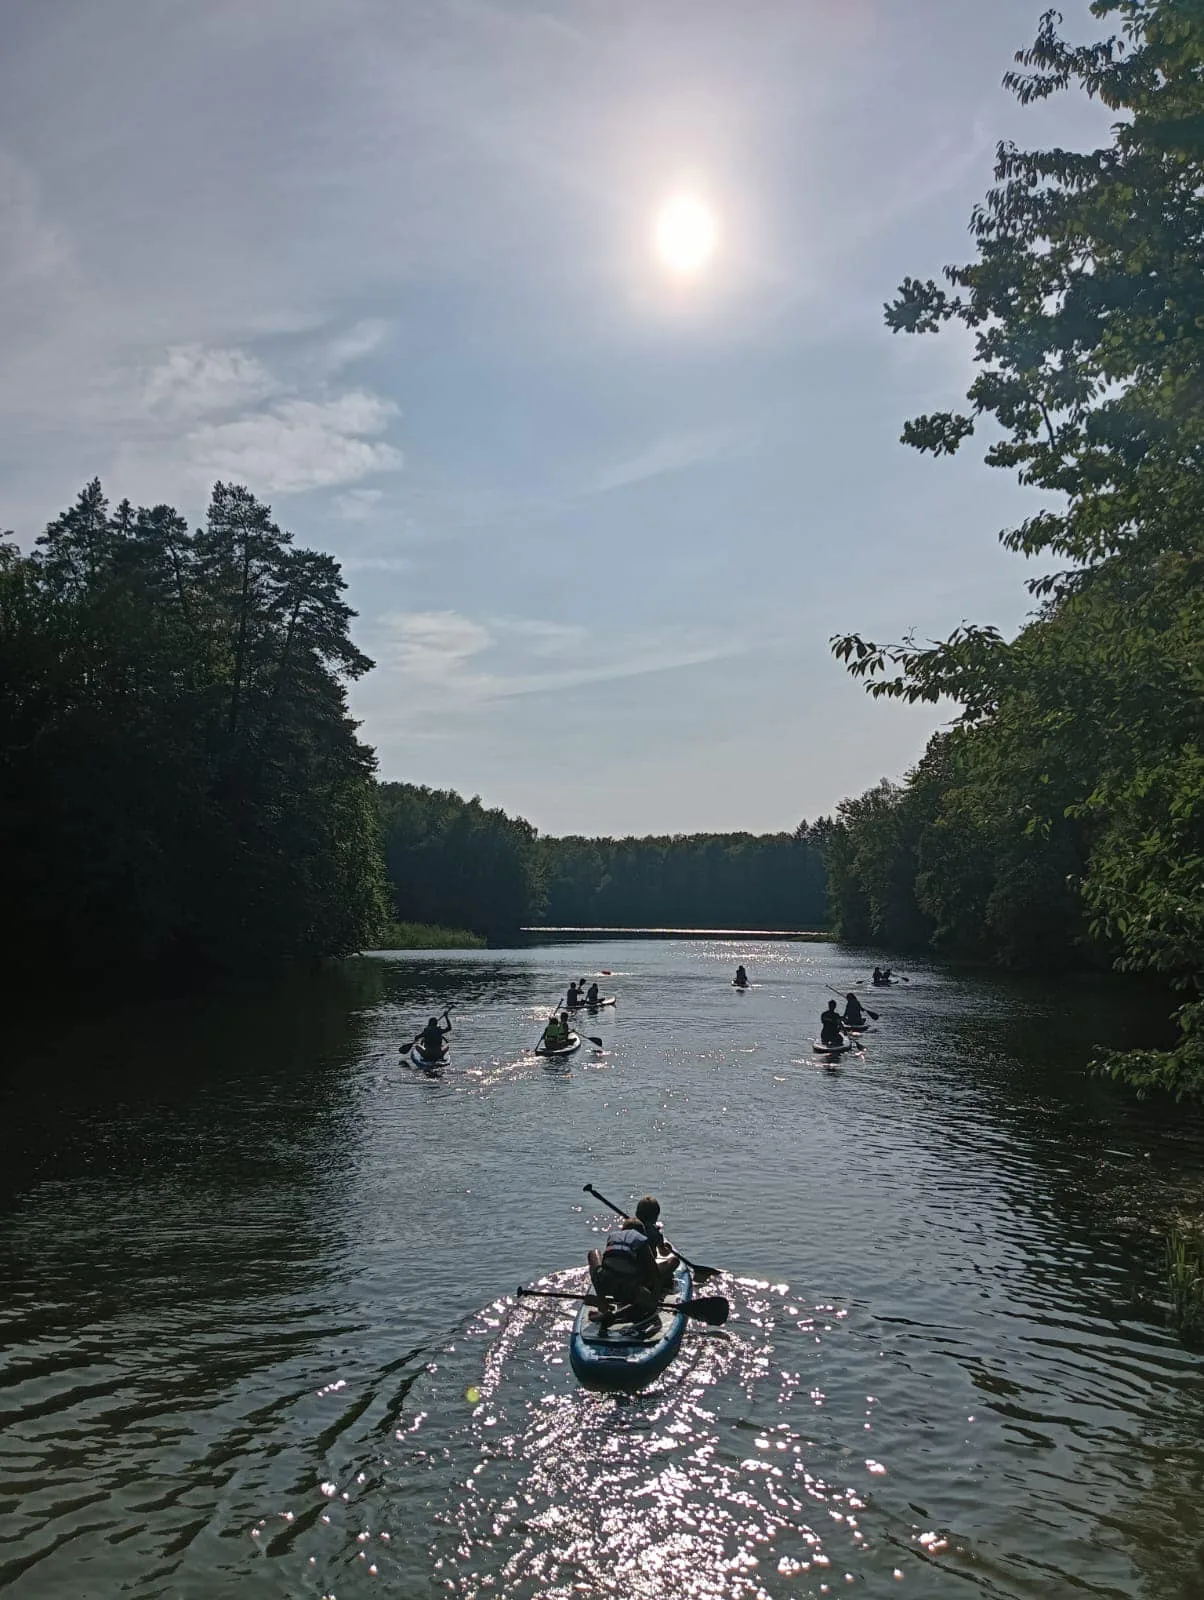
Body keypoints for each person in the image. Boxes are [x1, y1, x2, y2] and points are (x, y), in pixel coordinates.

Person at [587, 1216, 660, 1320]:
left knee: (593, 1253)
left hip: (606, 1284)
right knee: (647, 1301)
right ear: (642, 1232)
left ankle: (602, 1303)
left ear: (622, 1230)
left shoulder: (613, 1236)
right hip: (628, 1289)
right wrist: (655, 1297)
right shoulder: (641, 1240)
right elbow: (655, 1273)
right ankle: (615, 1316)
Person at [635, 1195, 680, 1289]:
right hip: (646, 1272)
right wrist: (669, 1248)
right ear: (655, 1217)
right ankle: (654, 1282)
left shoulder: (629, 1227)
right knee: (675, 1261)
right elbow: (663, 1253)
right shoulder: (655, 1233)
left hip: (630, 1268)